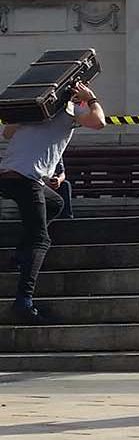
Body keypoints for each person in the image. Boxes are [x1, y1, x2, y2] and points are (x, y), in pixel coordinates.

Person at [1, 82, 106, 323]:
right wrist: (90, 98)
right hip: (26, 180)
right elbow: (99, 121)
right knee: (41, 240)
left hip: (8, 175)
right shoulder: (70, 111)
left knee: (56, 203)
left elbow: (7, 133)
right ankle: (23, 302)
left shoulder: (33, 111)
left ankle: (19, 254)